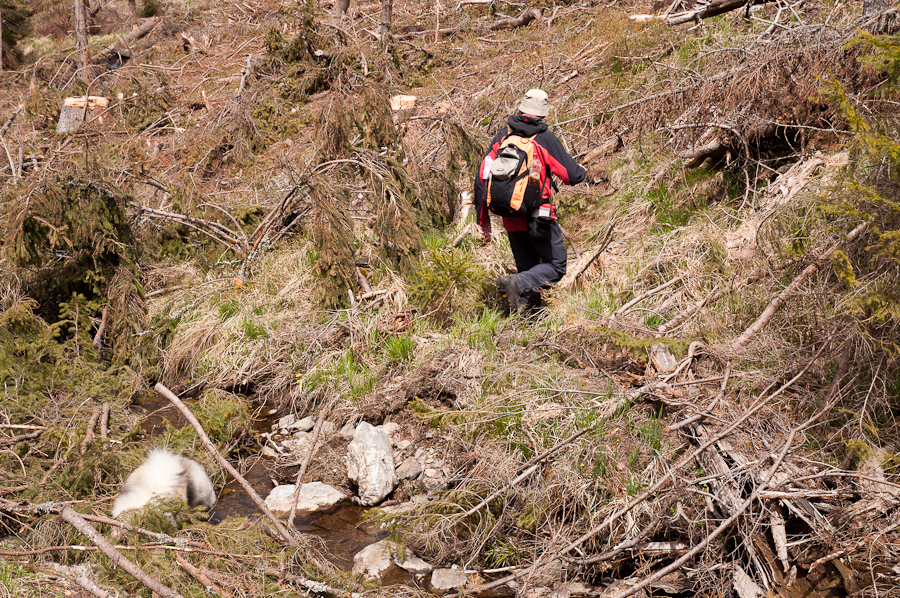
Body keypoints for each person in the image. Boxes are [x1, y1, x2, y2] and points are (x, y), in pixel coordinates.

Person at [473, 89, 586, 312]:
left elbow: (482, 178)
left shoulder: (502, 137)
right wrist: (581, 171)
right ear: (542, 114)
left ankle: (527, 322)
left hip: (510, 215)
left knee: (528, 268)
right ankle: (516, 283)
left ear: (521, 109)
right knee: (556, 266)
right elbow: (571, 176)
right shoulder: (543, 137)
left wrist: (483, 219)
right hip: (539, 217)